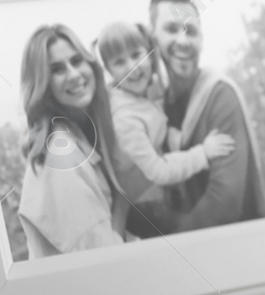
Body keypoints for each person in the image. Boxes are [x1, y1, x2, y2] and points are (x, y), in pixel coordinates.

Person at [144, 0, 265, 236]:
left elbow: (225, 203)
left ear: (201, 39)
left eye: (190, 31)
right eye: (171, 29)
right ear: (153, 38)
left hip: (241, 245)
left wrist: (169, 244)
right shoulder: (157, 105)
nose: (183, 41)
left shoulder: (219, 95)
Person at [15, 24, 130, 257]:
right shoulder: (60, 156)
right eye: (57, 69)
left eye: (77, 61)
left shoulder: (80, 136)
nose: (74, 75)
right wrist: (123, 203)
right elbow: (102, 259)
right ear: (43, 85)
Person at [96, 20, 235, 210]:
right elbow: (158, 172)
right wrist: (202, 154)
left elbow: (156, 125)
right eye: (119, 62)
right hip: (144, 204)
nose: (132, 67)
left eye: (136, 55)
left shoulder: (142, 93)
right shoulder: (124, 118)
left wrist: (179, 138)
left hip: (156, 192)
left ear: (148, 54)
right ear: (109, 71)